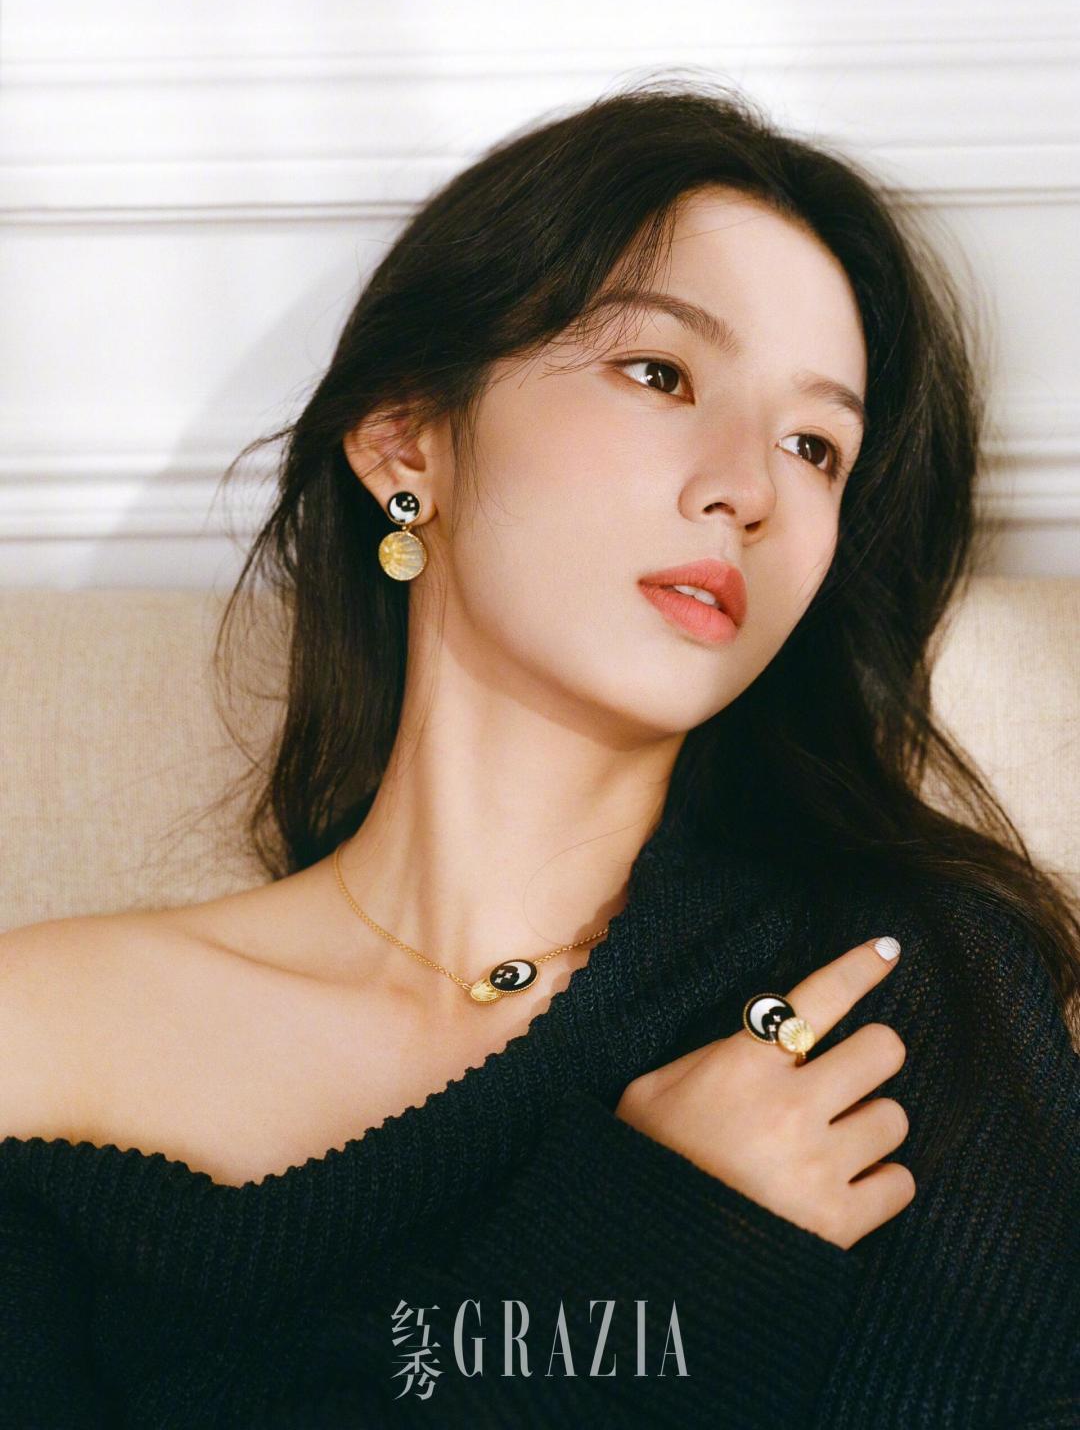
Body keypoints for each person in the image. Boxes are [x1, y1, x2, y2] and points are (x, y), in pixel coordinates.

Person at [1, 76, 1077, 1429]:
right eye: (660, 373)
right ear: (405, 440)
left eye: (816, 446)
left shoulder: (883, 1001)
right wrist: (640, 1267)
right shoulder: (38, 1035)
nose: (748, 488)